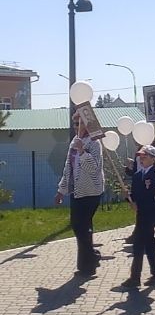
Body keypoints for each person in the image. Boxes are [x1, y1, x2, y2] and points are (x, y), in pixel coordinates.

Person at [55, 115, 105, 277]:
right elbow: (68, 168)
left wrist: (82, 151)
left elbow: (94, 169)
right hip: (76, 191)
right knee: (80, 227)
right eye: (75, 123)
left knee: (81, 227)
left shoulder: (94, 143)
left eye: (80, 123)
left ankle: (90, 261)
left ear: (87, 124)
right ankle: (88, 262)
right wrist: (61, 190)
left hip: (91, 192)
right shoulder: (74, 141)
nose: (77, 126)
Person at [120, 145, 155, 289]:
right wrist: (129, 198)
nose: (142, 159)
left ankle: (135, 277)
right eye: (141, 157)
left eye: (145, 156)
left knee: (138, 244)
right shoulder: (138, 175)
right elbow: (136, 195)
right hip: (141, 214)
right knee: (149, 244)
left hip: (151, 213)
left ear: (153, 158)